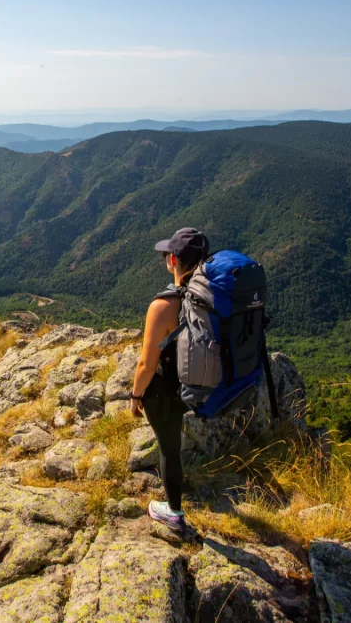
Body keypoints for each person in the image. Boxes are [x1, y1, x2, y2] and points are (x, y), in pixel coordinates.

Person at [131, 227, 209, 533]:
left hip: (169, 390)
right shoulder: (212, 297)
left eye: (167, 254)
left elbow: (146, 364)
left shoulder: (163, 306)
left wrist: (136, 396)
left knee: (169, 449)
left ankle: (174, 512)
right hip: (203, 381)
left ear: (173, 260)